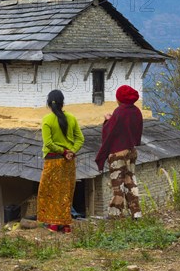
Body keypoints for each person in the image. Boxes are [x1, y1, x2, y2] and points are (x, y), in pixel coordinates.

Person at [37, 90, 85, 233]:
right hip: (68, 162)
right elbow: (80, 139)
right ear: (62, 103)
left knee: (50, 192)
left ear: (48, 104)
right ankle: (65, 225)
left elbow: (48, 143)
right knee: (65, 192)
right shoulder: (72, 118)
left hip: (52, 161)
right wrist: (71, 152)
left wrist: (63, 152)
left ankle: (53, 223)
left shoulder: (47, 119)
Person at [95, 85, 143, 219]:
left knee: (118, 184)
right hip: (132, 150)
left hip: (118, 153)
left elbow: (110, 132)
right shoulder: (137, 111)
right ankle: (136, 212)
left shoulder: (119, 112)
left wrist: (107, 120)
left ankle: (116, 213)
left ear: (119, 98)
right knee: (130, 181)